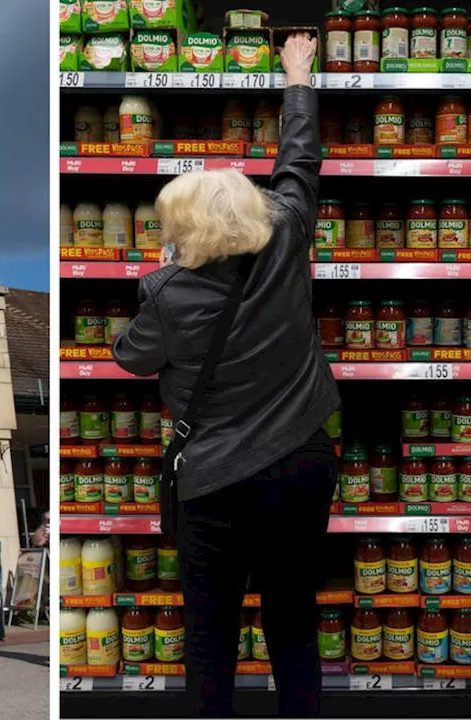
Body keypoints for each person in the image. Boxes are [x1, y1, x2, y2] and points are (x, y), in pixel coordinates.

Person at [112, 34, 337, 719]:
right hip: (301, 461)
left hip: (214, 481)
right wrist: (297, 75)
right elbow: (299, 158)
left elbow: (130, 357)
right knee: (293, 622)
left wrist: (158, 275)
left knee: (210, 633)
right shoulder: (289, 237)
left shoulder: (168, 294)